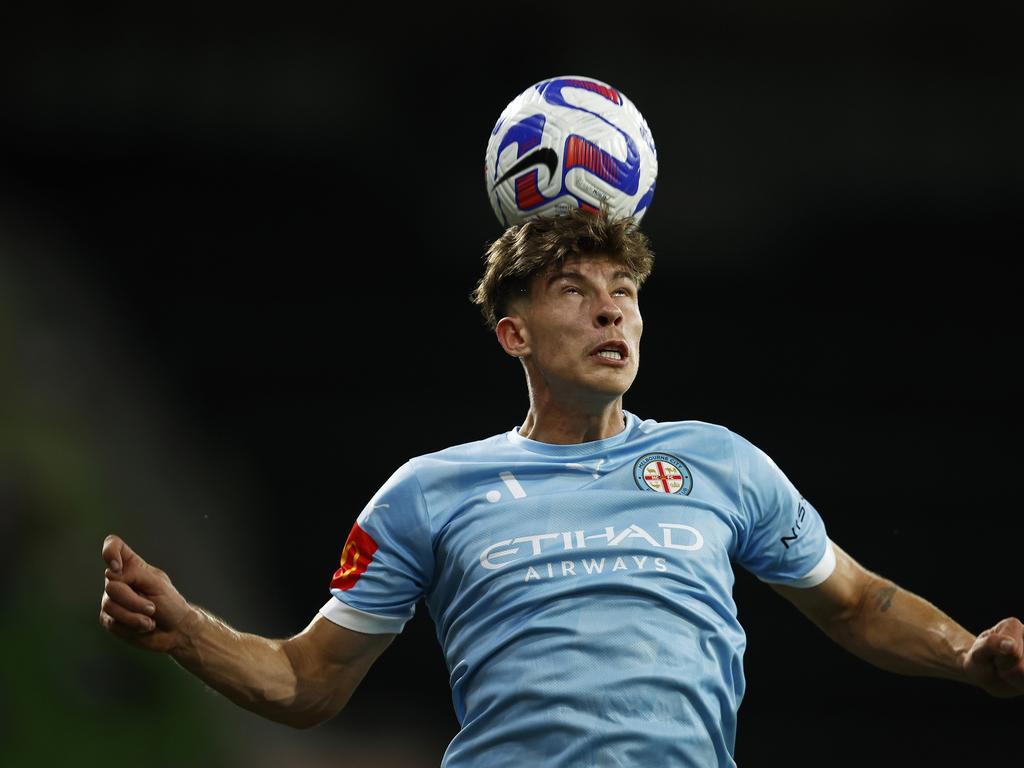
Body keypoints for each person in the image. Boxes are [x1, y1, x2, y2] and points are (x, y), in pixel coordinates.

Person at [100, 209, 1023, 767]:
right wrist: (187, 630)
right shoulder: (431, 491)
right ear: (514, 334)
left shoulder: (719, 463)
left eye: (623, 288)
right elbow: (308, 681)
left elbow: (859, 603)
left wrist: (966, 655)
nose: (610, 307)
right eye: (574, 290)